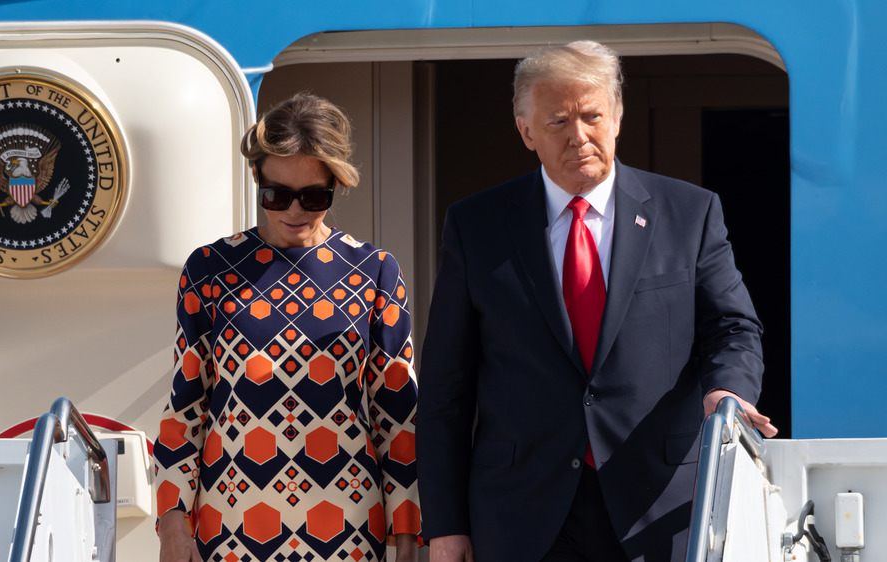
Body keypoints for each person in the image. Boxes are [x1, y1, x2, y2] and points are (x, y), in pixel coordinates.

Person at [415, 41, 777, 562]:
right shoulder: (477, 226)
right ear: (526, 132)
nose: (579, 136)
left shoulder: (689, 213)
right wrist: (445, 525)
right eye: (559, 121)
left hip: (656, 507)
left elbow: (733, 327)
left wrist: (729, 392)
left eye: (592, 116)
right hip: (521, 514)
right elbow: (447, 386)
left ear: (618, 118)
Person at [154, 93, 420, 562]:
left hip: (349, 530)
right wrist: (173, 525)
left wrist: (407, 534)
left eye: (314, 196)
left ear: (336, 185)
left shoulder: (374, 271)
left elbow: (397, 414)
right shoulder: (210, 268)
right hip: (231, 527)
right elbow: (186, 406)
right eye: (276, 195)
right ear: (256, 178)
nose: (294, 211)